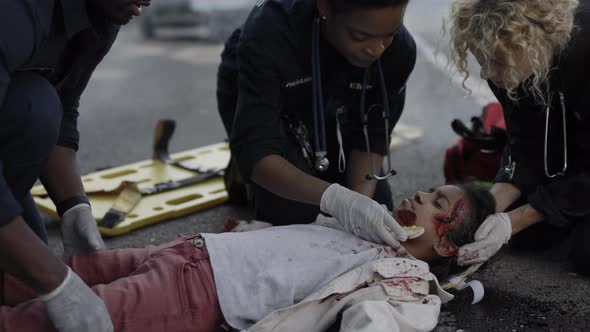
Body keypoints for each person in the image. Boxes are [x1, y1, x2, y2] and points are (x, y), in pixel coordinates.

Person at [0, 184, 495, 332]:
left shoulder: (406, 277)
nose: (419, 195)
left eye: (436, 204)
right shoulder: (364, 225)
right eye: (427, 189)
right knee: (57, 277)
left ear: (448, 245)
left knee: (55, 318)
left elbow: (379, 321)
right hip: (185, 252)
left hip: (194, 294)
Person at [216, 0, 417, 247]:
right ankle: (241, 174)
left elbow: (371, 138)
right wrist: (335, 199)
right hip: (267, 97)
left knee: (380, 203)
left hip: (333, 96)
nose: (376, 50)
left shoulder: (400, 51)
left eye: (389, 36)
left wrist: (357, 204)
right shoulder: (269, 34)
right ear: (324, 6)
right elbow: (258, 150)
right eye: (360, 35)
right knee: (295, 212)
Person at [0, 0, 150, 331]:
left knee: (39, 106)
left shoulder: (103, 14)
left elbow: (64, 106)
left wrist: (73, 206)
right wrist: (55, 282)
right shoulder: (18, 10)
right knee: (34, 107)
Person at [447, 0, 590, 275]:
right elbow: (524, 144)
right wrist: (486, 215)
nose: (487, 73)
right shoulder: (510, 63)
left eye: (496, 61)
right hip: (571, 154)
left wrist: (517, 219)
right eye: (481, 59)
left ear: (535, 40)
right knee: (522, 237)